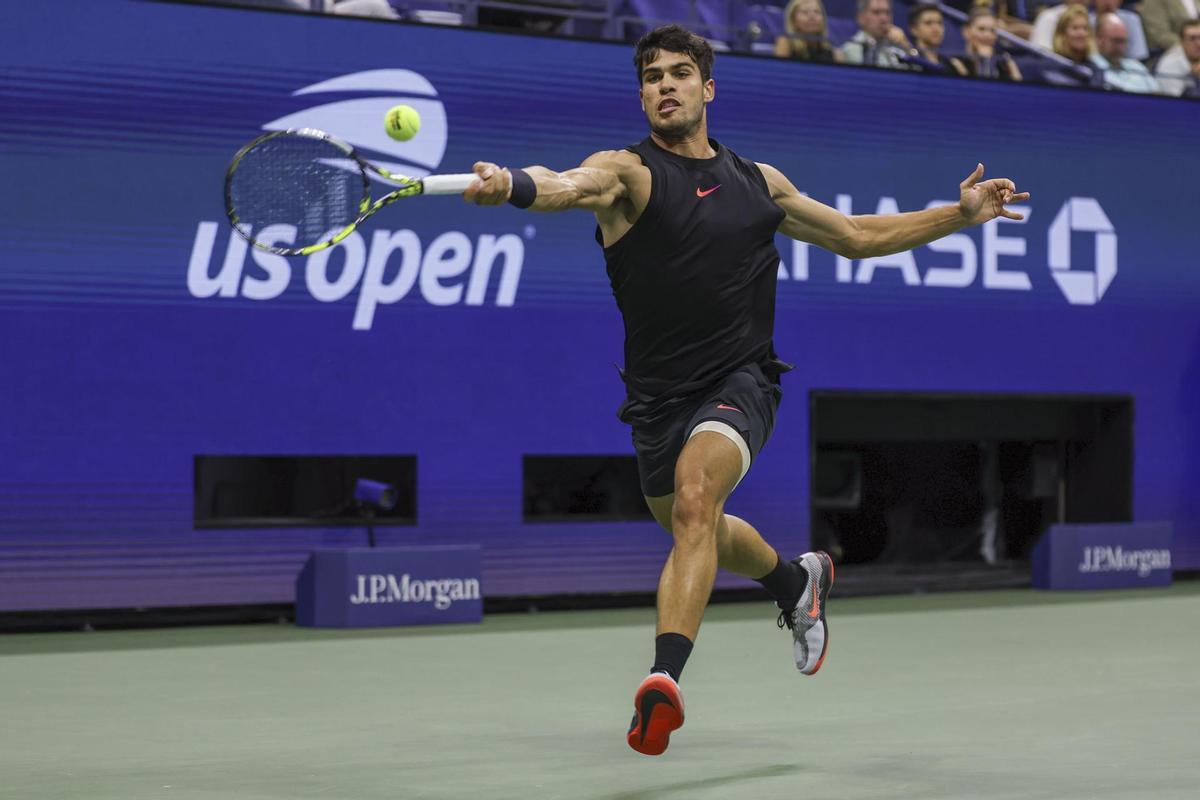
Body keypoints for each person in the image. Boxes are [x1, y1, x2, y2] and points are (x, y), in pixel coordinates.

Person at [463, 24, 1028, 757]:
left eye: (678, 73)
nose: (663, 85)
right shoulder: (627, 173)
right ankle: (796, 584)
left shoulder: (759, 184)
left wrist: (960, 214)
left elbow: (856, 234)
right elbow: (571, 185)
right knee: (697, 528)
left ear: (708, 87)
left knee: (697, 500)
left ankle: (664, 680)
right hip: (658, 400)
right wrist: (515, 185)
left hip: (741, 381)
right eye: (650, 77)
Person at [1032, 0, 1149, 60]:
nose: (1081, 33)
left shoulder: (1090, 18)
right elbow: (1040, 54)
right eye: (1075, 28)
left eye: (1084, 28)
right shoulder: (1049, 17)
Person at [1091, 13, 1161, 91]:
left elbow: (1157, 92)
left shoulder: (1136, 67)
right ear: (1099, 39)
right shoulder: (1092, 66)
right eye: (1116, 41)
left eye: (1124, 41)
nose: (1120, 47)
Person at [952, 6, 1025, 79]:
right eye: (981, 29)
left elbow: (1019, 88)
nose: (987, 35)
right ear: (966, 32)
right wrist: (984, 62)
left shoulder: (1005, 63)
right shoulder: (956, 62)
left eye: (992, 31)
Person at [841, 0, 913, 68]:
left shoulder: (898, 47)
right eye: (876, 12)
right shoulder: (852, 48)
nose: (884, 18)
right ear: (861, 18)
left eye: (887, 12)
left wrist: (906, 45)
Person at [775, 0, 842, 63]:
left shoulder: (835, 53)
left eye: (817, 12)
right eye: (805, 12)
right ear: (793, 20)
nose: (812, 16)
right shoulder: (785, 42)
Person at [1155, 19, 1200, 96]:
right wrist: (1193, 76)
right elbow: (1174, 104)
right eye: (1192, 39)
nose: (1198, 43)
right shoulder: (1169, 65)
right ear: (1181, 42)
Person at [908, 4, 956, 71]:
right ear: (914, 29)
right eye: (928, 23)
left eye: (939, 23)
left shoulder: (951, 65)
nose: (936, 29)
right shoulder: (910, 62)